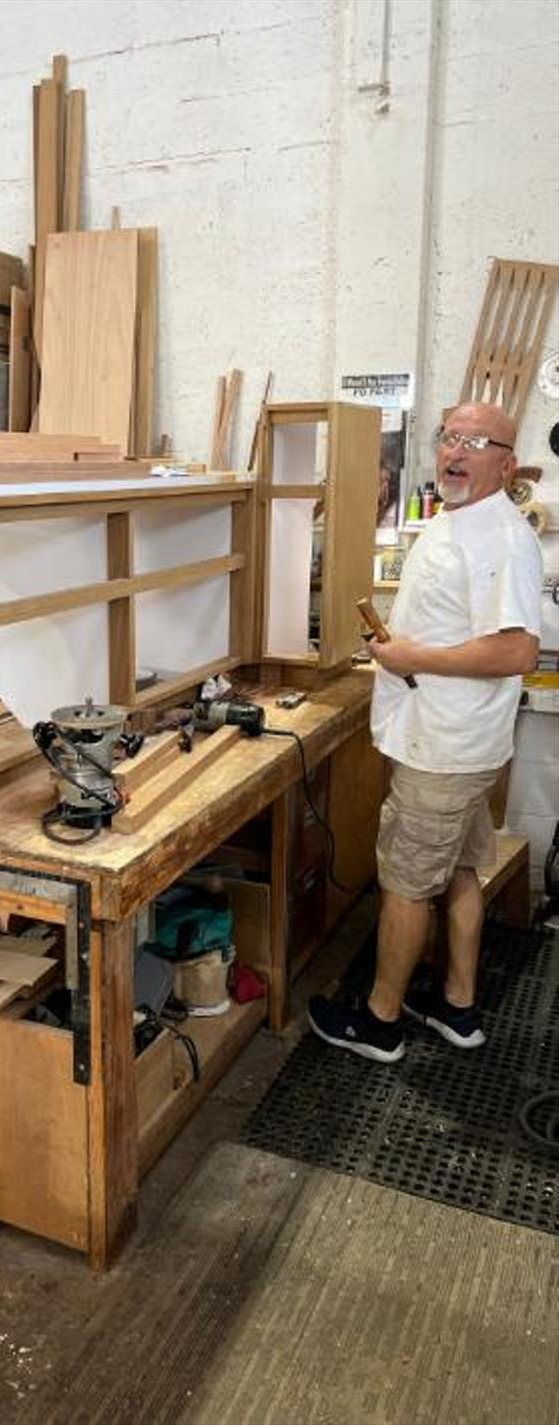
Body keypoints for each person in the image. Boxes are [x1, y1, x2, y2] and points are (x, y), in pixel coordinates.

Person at [309, 401, 543, 1063]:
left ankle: (380, 1021)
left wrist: (411, 657)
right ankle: (457, 1004)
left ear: (506, 460)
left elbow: (517, 652)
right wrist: (403, 644)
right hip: (450, 740)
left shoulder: (500, 535)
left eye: (475, 442)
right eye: (449, 438)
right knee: (464, 868)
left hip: (446, 747)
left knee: (408, 882)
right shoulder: (458, 521)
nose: (455, 452)